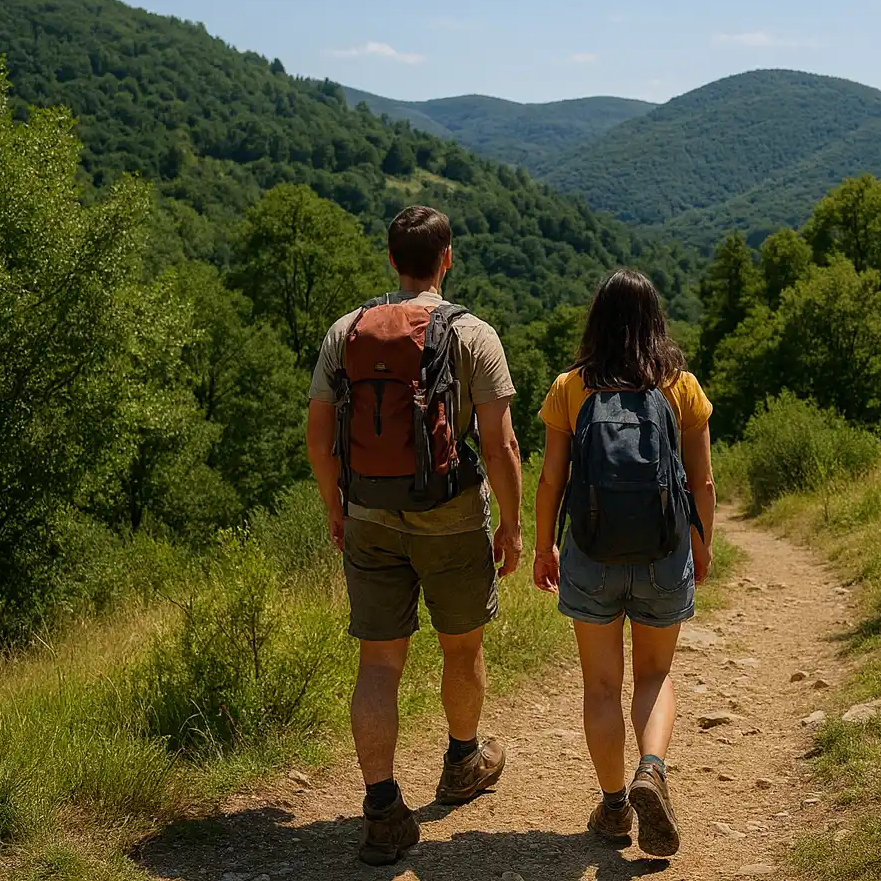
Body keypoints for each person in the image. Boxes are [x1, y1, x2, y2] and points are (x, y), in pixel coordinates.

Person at [305, 205, 524, 866]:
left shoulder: (345, 332)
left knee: (378, 663)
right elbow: (501, 441)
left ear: (390, 259)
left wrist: (335, 507)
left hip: (368, 511)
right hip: (450, 516)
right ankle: (462, 760)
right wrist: (513, 524)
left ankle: (380, 807)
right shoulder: (472, 334)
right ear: (447, 258)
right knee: (461, 648)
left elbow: (318, 435)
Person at [533, 268, 717, 857]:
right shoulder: (680, 386)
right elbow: (702, 479)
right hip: (665, 551)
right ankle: (652, 770)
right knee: (655, 675)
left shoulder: (570, 387)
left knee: (602, 684)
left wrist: (543, 545)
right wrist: (704, 541)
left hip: (590, 552)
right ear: (655, 321)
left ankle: (614, 806)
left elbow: (551, 480)